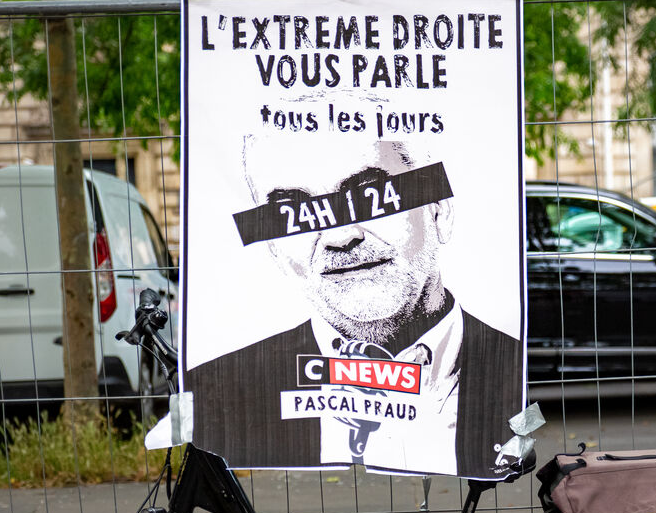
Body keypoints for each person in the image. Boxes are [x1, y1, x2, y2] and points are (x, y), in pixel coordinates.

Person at [185, 128, 522, 478]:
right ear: (273, 247)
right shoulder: (219, 395)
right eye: (293, 211)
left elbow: (528, 437)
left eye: (370, 196)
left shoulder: (514, 366)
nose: (340, 236)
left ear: (439, 211)